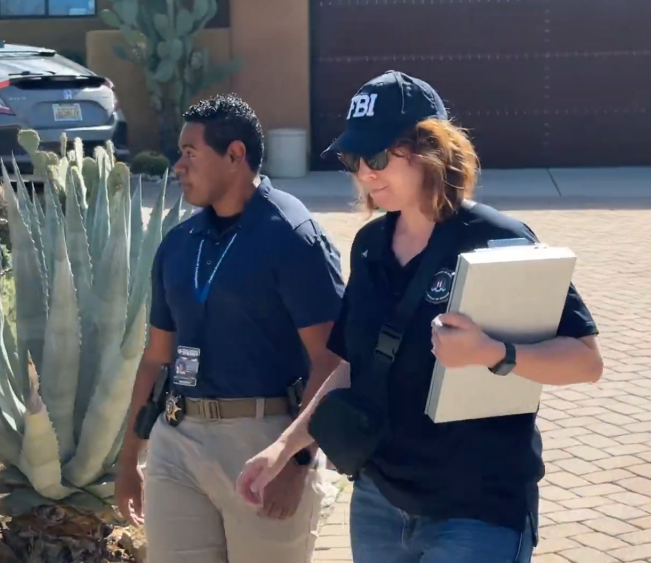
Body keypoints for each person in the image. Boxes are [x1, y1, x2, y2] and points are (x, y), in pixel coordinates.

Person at [235, 71, 604, 563]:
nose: (365, 172)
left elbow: (585, 361)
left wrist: (493, 353)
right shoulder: (369, 247)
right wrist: (283, 448)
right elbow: (349, 366)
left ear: (432, 148)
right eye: (354, 159)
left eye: (379, 156)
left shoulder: (499, 238)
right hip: (379, 503)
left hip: (476, 512)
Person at [114, 93, 346, 563]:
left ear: (235, 155)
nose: (178, 166)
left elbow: (332, 360)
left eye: (191, 153)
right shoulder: (178, 245)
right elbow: (156, 358)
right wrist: (128, 458)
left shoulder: (291, 236)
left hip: (262, 446)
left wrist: (296, 462)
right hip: (176, 443)